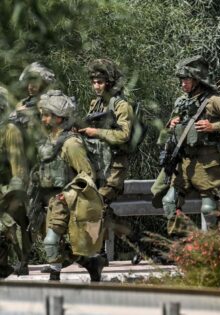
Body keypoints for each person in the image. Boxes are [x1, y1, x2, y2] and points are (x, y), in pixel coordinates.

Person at [161, 55, 220, 231]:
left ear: (197, 80)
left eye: (187, 79)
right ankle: (182, 241)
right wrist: (172, 123)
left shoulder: (213, 101)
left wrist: (213, 126)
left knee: (208, 209)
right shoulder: (181, 101)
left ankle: (217, 243)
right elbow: (170, 132)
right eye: (181, 79)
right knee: (169, 201)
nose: (183, 83)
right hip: (183, 163)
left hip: (206, 163)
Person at [38, 90, 105, 281]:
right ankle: (91, 264)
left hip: (68, 200)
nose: (43, 119)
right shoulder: (50, 140)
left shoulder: (71, 144)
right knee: (55, 243)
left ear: (59, 118)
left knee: (51, 241)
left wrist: (67, 194)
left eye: (46, 115)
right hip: (51, 199)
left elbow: (87, 175)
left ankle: (55, 276)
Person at [79, 59, 134, 261]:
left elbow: (124, 134)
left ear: (109, 83)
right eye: (93, 82)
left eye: (100, 82)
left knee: (97, 205)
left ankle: (96, 253)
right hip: (99, 164)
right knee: (103, 211)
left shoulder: (121, 105)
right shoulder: (95, 104)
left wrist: (97, 132)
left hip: (115, 166)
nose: (96, 86)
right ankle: (139, 243)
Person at [0, 87, 30, 278]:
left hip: (9, 191)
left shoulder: (10, 131)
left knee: (12, 227)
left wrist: (12, 197)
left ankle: (21, 261)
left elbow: (19, 169)